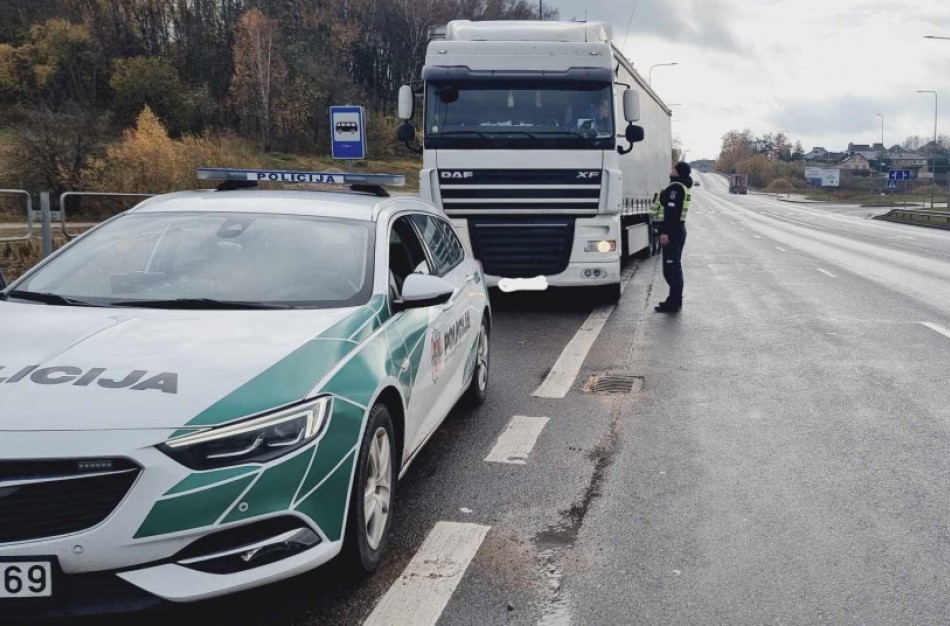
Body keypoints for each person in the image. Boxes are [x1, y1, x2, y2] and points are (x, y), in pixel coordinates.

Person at [650, 162, 693, 313]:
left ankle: (674, 303)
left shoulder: (675, 188)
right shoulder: (680, 186)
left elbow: (671, 214)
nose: (670, 170)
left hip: (673, 232)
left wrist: (664, 232)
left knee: (671, 268)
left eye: (673, 168)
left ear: (678, 172)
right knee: (674, 266)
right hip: (677, 231)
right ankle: (673, 300)